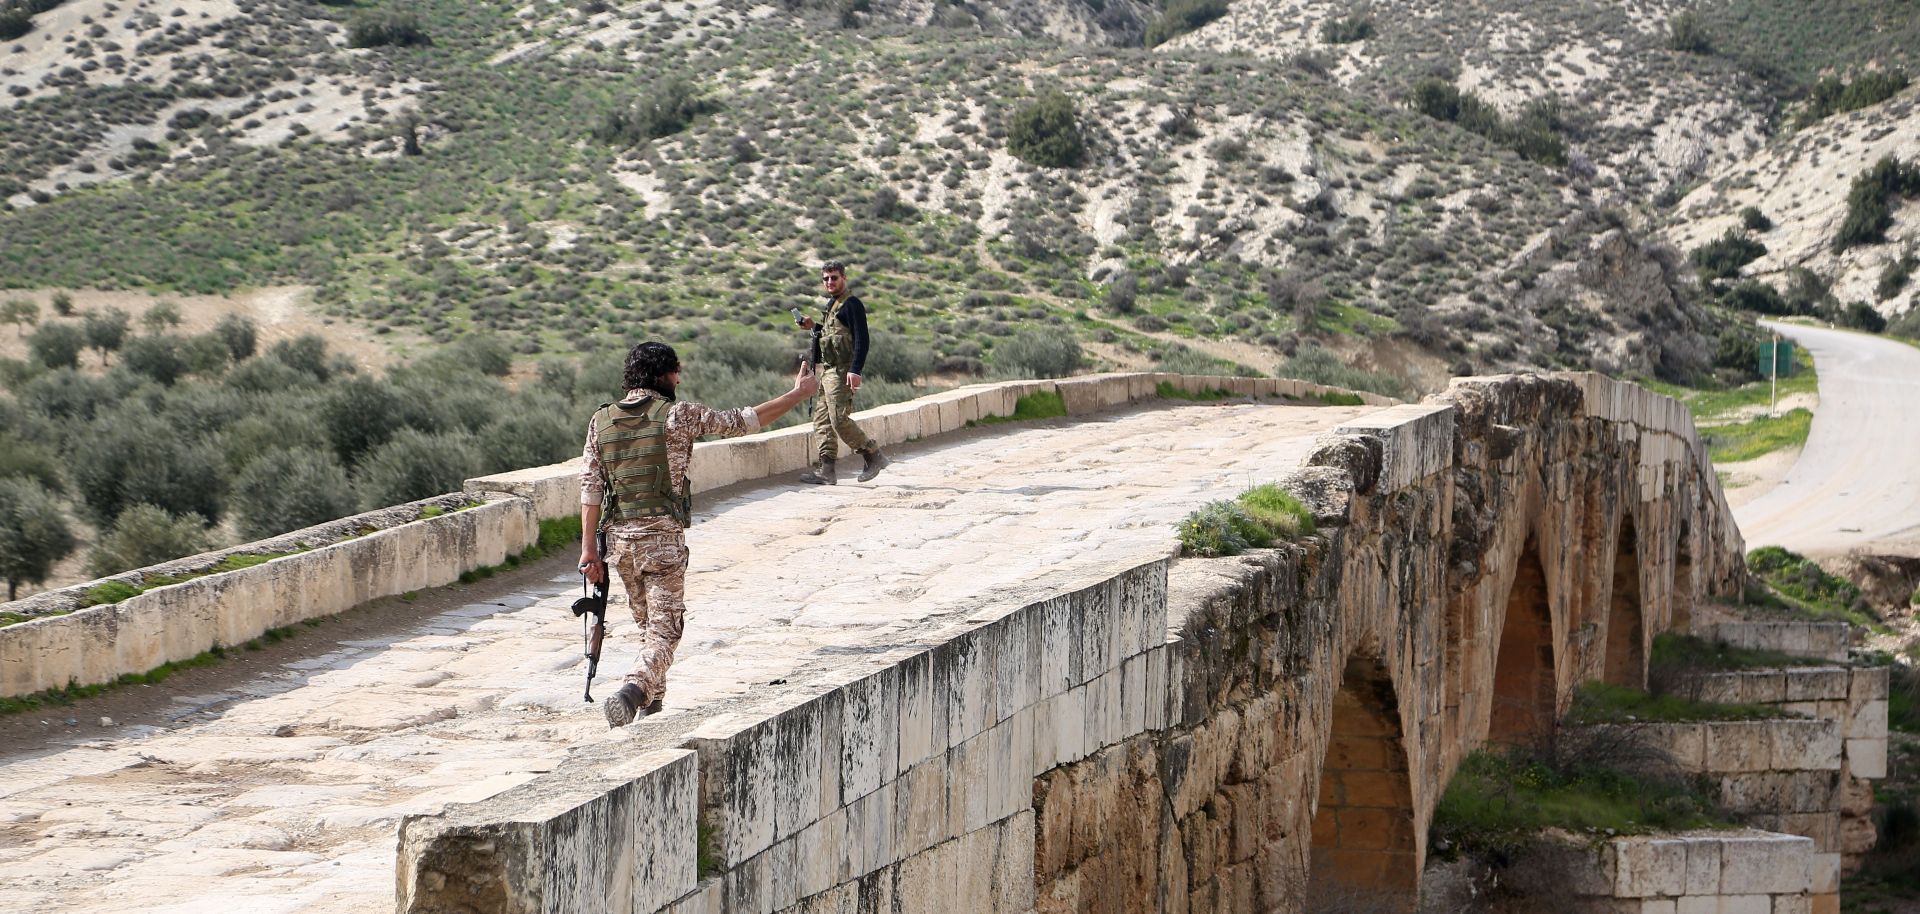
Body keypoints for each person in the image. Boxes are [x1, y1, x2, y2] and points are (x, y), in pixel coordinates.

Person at [579, 341, 818, 727]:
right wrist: (798, 393)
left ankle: (653, 701)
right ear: (662, 374)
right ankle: (634, 689)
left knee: (648, 626)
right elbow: (745, 421)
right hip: (662, 545)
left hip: (619, 546)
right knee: (664, 631)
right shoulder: (679, 415)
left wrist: (589, 551)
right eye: (676, 371)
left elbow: (590, 489)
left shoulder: (600, 421)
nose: (679, 378)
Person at [794, 260, 890, 485]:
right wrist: (813, 327)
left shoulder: (851, 304)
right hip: (828, 372)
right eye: (826, 278)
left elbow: (861, 339)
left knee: (838, 419)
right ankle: (826, 470)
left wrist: (856, 370)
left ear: (844, 278)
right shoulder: (832, 305)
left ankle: (872, 454)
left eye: (834, 277)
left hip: (841, 372)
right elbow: (832, 335)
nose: (829, 282)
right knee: (822, 421)